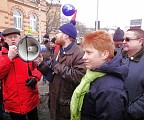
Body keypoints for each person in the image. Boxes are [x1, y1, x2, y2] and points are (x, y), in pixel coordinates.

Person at [35, 12, 86, 120]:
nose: (56, 35)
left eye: (59, 32)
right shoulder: (60, 50)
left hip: (65, 105)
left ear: (66, 35)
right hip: (54, 101)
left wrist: (56, 65)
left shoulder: (79, 53)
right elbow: (52, 74)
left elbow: (79, 76)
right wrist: (41, 64)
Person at [70, 30, 129, 120]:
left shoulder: (111, 89)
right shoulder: (93, 74)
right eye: (84, 52)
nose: (84, 57)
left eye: (89, 53)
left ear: (105, 54)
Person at [0, 28, 42, 120]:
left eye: (15, 37)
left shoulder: (28, 52)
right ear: (5, 39)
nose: (13, 39)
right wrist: (9, 58)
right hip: (13, 100)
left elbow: (36, 68)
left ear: (20, 38)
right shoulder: (1, 55)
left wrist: (35, 78)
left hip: (30, 97)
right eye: (10, 37)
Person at [122, 28, 144, 120]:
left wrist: (130, 111)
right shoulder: (120, 58)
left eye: (127, 39)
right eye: (123, 39)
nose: (123, 42)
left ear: (140, 41)